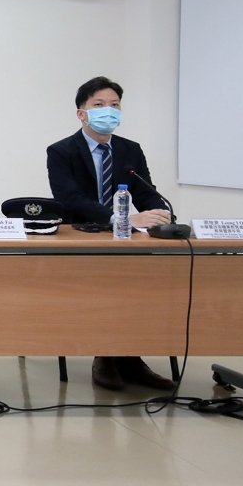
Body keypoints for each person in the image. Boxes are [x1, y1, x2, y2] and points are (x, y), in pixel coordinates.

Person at [46, 76, 176, 392]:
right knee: (104, 283)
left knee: (142, 283)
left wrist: (161, 214)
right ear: (82, 113)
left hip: (124, 238)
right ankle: (105, 355)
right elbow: (69, 198)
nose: (109, 111)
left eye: (115, 105)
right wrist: (122, 218)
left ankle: (130, 357)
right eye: (99, 105)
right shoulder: (61, 151)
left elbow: (146, 192)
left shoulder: (130, 150)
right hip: (80, 236)